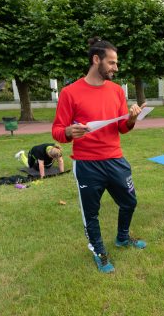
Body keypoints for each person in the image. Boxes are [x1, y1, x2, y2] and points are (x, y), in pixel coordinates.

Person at [52, 37, 146, 274]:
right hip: (87, 165)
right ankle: (98, 251)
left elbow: (121, 128)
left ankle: (122, 238)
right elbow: (57, 130)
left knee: (130, 201)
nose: (116, 68)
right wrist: (68, 132)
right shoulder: (69, 93)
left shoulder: (116, 91)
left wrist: (132, 119)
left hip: (115, 160)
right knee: (91, 213)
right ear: (97, 60)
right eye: (112, 63)